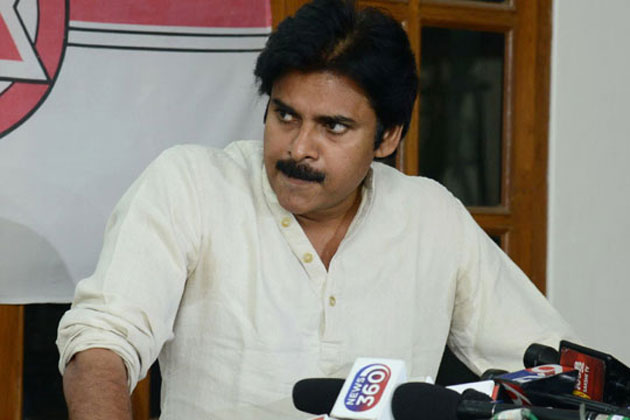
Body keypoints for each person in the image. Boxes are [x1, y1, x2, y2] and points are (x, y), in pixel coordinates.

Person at [56, 0, 578, 418]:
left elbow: (553, 371)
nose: (298, 148)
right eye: (285, 115)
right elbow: (101, 347)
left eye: (333, 127)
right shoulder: (191, 185)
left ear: (387, 137)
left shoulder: (430, 217)